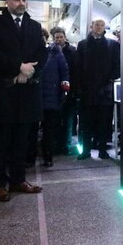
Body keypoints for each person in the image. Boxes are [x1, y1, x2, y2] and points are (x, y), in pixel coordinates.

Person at [0, 0, 47, 202]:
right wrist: (18, 67)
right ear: (7, 1)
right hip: (3, 92)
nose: (21, 3)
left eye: (24, 0)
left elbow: (41, 54)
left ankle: (18, 180)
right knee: (0, 140)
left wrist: (29, 72)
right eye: (17, 0)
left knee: (22, 140)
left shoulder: (34, 26)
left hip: (26, 92)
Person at [76, 18, 120, 160]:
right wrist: (79, 87)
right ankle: (86, 151)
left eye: (102, 25)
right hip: (87, 91)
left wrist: (110, 80)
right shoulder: (82, 45)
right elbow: (78, 66)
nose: (99, 27)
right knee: (86, 122)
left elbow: (117, 65)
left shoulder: (112, 45)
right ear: (91, 27)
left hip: (105, 91)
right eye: (97, 25)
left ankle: (102, 150)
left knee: (104, 122)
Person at [38, 32, 70, 167]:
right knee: (30, 129)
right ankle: (28, 157)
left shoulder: (56, 53)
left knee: (49, 129)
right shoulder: (27, 51)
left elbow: (64, 72)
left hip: (51, 97)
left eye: (43, 37)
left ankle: (48, 156)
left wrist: (64, 86)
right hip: (33, 97)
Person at [53, 27, 79, 155]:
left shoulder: (73, 52)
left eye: (60, 37)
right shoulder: (51, 51)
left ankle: (66, 145)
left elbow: (76, 71)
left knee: (68, 120)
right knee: (56, 120)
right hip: (54, 92)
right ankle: (56, 144)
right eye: (56, 37)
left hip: (70, 91)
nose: (58, 39)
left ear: (65, 37)